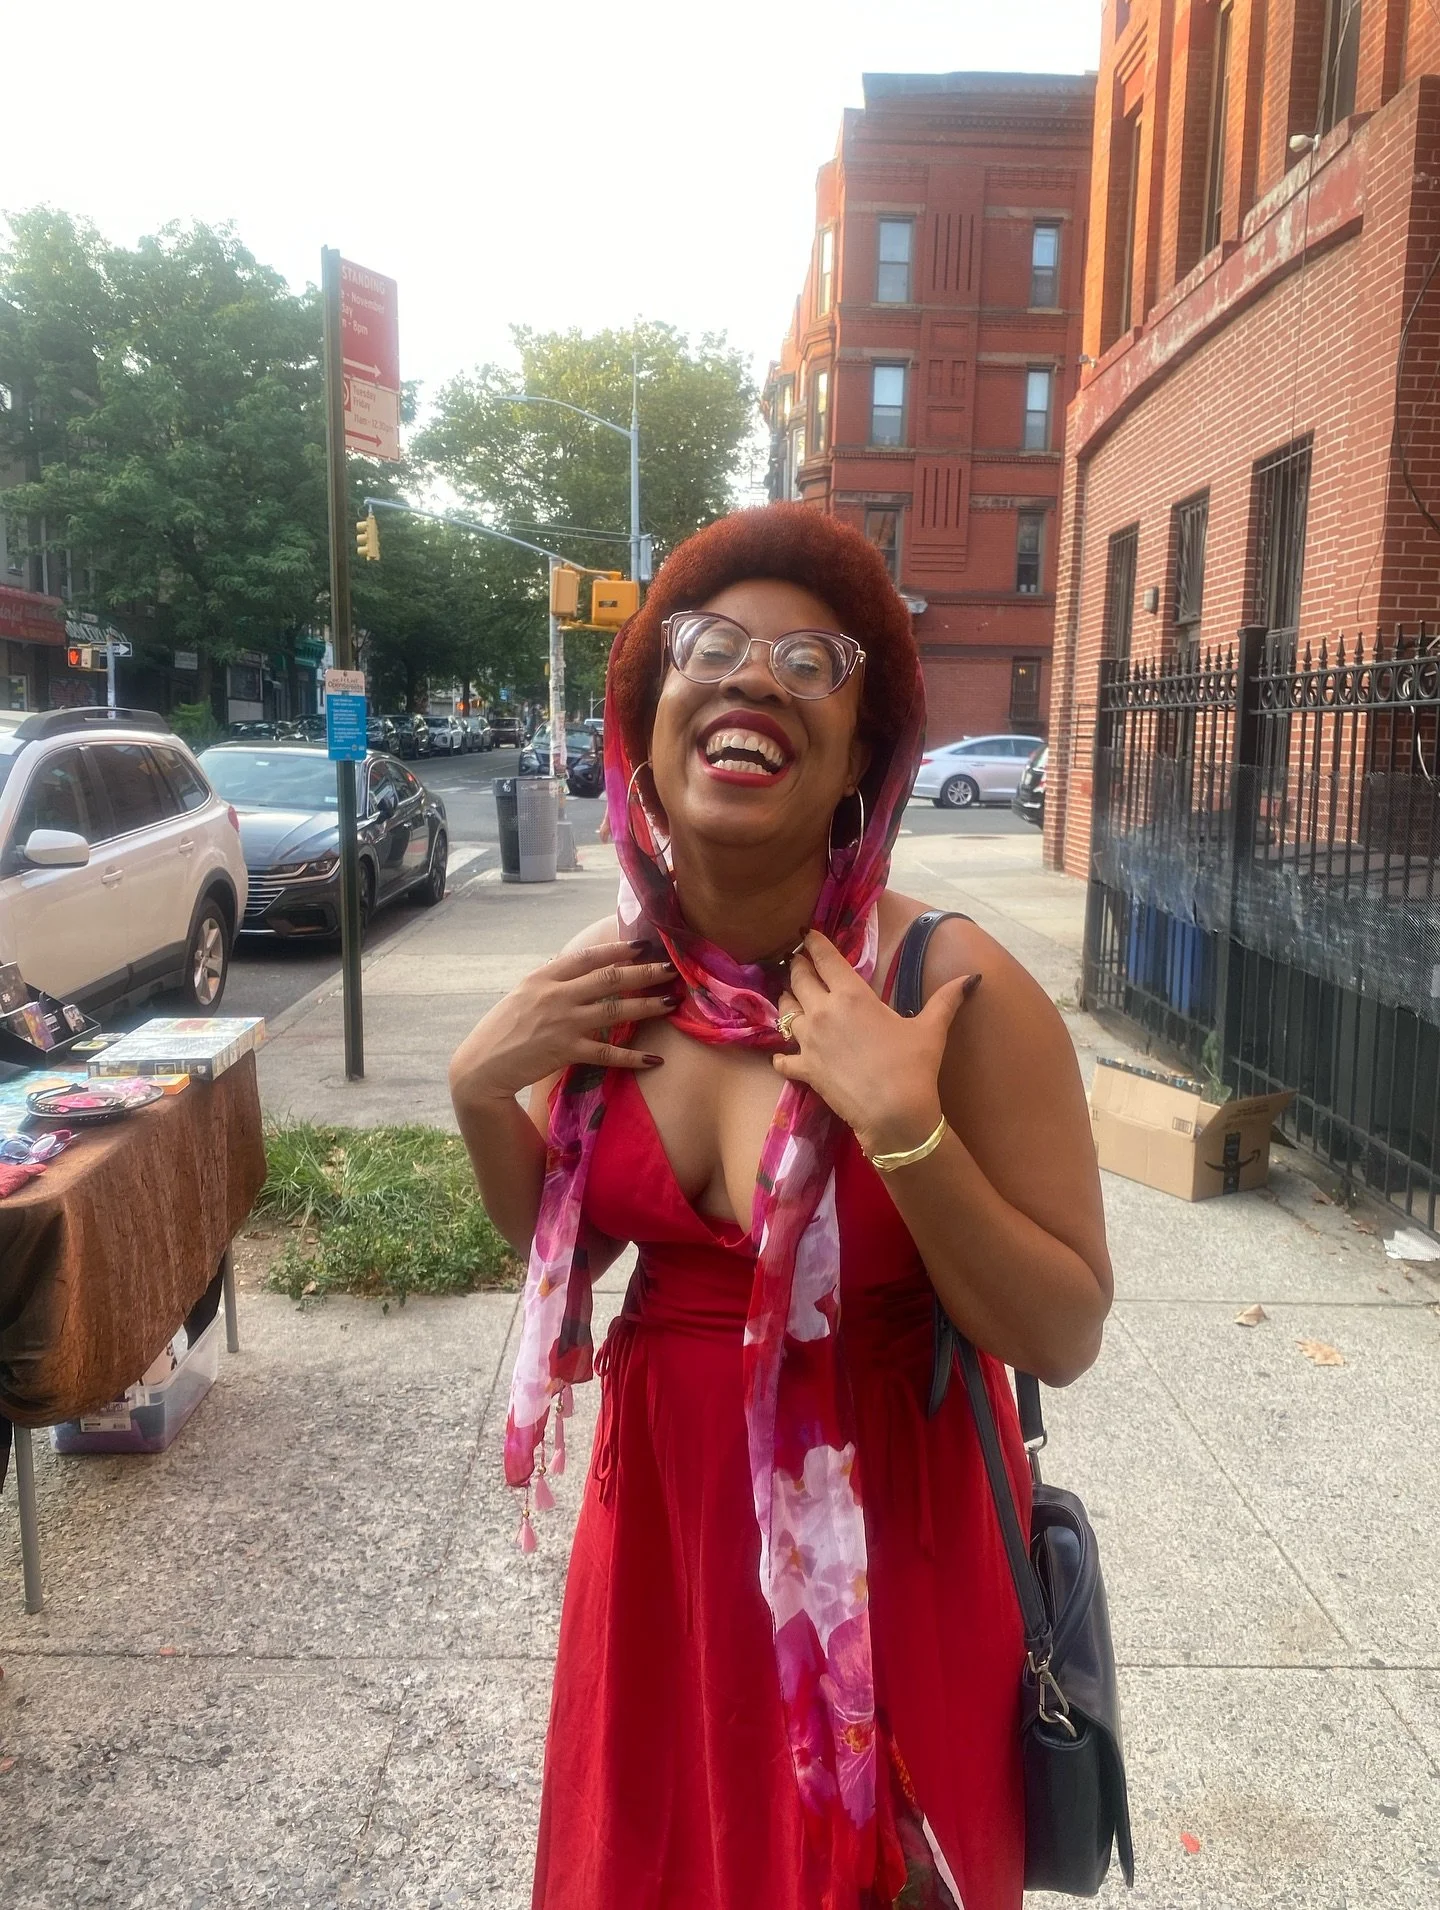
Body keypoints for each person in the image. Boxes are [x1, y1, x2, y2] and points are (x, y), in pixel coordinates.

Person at [449, 505, 1112, 1910]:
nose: (752, 678)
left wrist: (908, 1131)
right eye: (708, 649)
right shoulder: (612, 978)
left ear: (862, 755)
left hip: (886, 1554)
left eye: (811, 663)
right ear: (646, 722)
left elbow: (1061, 1332)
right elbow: (568, 1255)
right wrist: (475, 1089)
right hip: (664, 1549)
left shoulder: (950, 987)